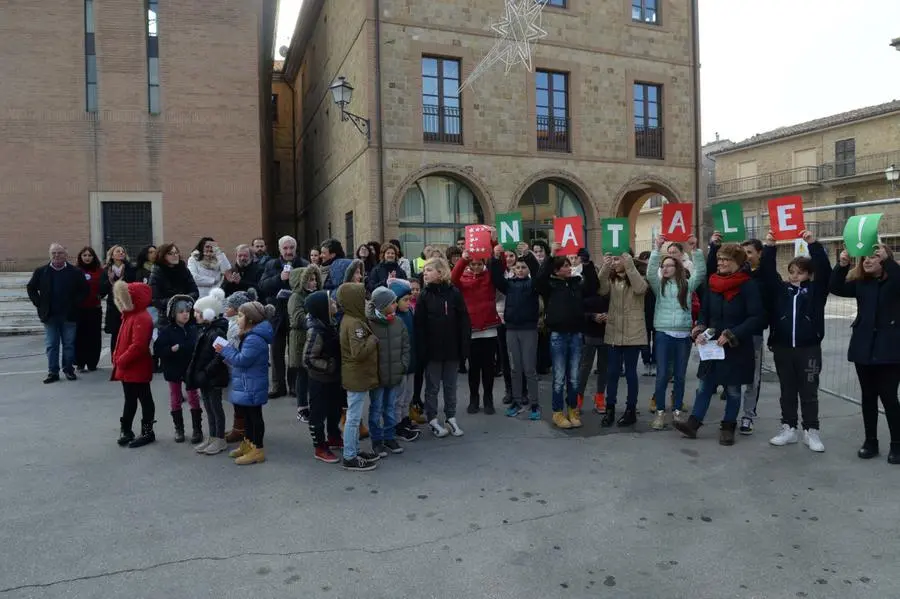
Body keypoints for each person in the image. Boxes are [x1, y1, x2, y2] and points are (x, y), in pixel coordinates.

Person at [674, 243, 765, 446]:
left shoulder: (748, 285)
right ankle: (693, 424)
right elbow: (705, 313)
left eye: (726, 259)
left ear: (738, 262)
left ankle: (728, 427)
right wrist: (699, 330)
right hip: (713, 346)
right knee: (704, 386)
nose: (721, 263)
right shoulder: (713, 283)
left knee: (732, 390)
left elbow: (756, 317)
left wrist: (732, 334)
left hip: (736, 347)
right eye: (720, 259)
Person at [830, 243, 900, 464]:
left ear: (884, 260)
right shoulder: (862, 283)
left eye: (873, 257)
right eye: (864, 258)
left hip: (890, 349)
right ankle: (871, 441)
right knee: (868, 397)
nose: (867, 261)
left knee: (889, 397)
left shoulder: (895, 282)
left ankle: (897, 445)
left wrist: (888, 259)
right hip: (864, 347)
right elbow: (836, 287)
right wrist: (842, 266)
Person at [761, 230, 830, 453]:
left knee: (809, 391)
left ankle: (811, 431)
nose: (794, 276)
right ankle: (788, 428)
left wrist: (813, 243)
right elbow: (767, 274)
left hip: (808, 349)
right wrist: (770, 246)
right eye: (791, 272)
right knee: (787, 390)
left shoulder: (815, 292)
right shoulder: (781, 291)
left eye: (799, 273)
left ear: (809, 275)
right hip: (782, 348)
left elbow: (825, 272)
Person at [646, 235, 705, 429]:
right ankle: (660, 413)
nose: (665, 268)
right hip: (663, 334)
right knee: (662, 374)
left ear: (678, 267)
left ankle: (677, 411)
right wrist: (657, 248)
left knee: (680, 375)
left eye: (670, 265)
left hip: (682, 336)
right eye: (664, 265)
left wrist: (695, 251)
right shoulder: (658, 285)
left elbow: (701, 273)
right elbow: (650, 274)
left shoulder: (687, 286)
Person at [535, 244, 596, 429]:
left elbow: (593, 286)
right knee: (559, 377)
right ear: (556, 270)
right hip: (558, 335)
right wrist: (551, 256)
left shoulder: (577, 283)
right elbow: (539, 280)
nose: (569, 268)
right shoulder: (550, 285)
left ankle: (572, 410)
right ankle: (557, 412)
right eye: (564, 266)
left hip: (576, 334)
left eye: (570, 265)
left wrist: (587, 262)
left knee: (574, 377)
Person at [415, 257, 470, 438]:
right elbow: (419, 326)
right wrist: (422, 351)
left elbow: (464, 321)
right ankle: (432, 418)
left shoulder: (453, 293)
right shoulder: (424, 295)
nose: (425, 273)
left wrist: (464, 347)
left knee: (450, 386)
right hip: (432, 351)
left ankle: (450, 417)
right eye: (424, 271)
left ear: (440, 272)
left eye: (429, 270)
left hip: (452, 349)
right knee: (432, 387)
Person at [217, 301, 276, 465]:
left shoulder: (254, 339)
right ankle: (248, 444)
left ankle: (257, 449)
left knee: (254, 417)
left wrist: (225, 349)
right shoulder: (250, 336)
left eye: (241, 316)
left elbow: (242, 360)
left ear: (251, 319)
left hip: (252, 385)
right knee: (249, 417)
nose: (237, 319)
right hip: (248, 383)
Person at [490, 242, 541, 419]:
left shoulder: (533, 285)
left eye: (523, 267)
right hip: (511, 329)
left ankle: (534, 404)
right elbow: (496, 277)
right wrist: (496, 257)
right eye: (517, 267)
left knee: (529, 369)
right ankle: (517, 402)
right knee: (514, 368)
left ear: (528, 270)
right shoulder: (509, 285)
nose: (520, 270)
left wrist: (527, 254)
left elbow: (539, 273)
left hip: (529, 330)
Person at [598, 252, 648, 428]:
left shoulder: (638, 277)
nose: (615, 261)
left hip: (633, 334)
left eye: (618, 258)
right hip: (614, 332)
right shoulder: (611, 279)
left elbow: (640, 289)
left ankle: (630, 410)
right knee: (611, 373)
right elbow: (600, 288)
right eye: (614, 259)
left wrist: (630, 266)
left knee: (631, 373)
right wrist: (605, 266)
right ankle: (610, 408)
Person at [336, 282, 382, 471]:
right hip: (356, 376)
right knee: (353, 418)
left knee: (354, 416)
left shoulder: (354, 318)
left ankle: (354, 450)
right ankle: (349, 456)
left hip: (357, 375)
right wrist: (372, 340)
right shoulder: (354, 323)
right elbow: (359, 352)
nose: (366, 301)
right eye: (362, 298)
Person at [27, 243, 88, 383]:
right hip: (50, 316)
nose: (56, 255)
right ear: (50, 255)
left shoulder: (75, 272)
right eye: (53, 253)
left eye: (59, 253)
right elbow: (31, 288)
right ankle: (52, 372)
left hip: (69, 315)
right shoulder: (41, 271)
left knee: (69, 344)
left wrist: (75, 303)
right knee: (51, 345)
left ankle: (68, 370)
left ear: (66, 255)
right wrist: (39, 303)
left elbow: (84, 290)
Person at [452, 246, 502, 415]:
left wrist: (495, 247)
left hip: (489, 328)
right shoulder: (463, 278)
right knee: (473, 368)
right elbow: (452, 279)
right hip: (471, 329)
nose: (475, 267)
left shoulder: (489, 276)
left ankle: (488, 399)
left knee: (488, 368)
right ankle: (474, 399)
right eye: (472, 264)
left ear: (483, 263)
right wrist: (463, 259)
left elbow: (499, 267)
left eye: (479, 264)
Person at [258, 235, 309, 399]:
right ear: (280, 249)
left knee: (295, 350)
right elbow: (263, 286)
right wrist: (279, 278)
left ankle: (294, 385)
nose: (288, 251)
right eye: (285, 248)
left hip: (296, 314)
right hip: (278, 314)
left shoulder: (304, 264)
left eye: (291, 248)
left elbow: (313, 286)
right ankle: (278, 385)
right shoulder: (271, 264)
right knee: (276, 351)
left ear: (296, 248)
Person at [111, 280, 156, 448]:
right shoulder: (130, 316)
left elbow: (138, 345)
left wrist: (121, 359)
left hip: (135, 365)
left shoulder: (141, 317)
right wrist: (118, 356)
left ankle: (147, 431)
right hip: (128, 365)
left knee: (144, 397)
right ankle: (126, 429)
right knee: (130, 398)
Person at [153, 293, 203, 444]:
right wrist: (170, 350)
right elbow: (158, 350)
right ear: (173, 314)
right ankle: (179, 429)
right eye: (181, 312)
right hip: (173, 368)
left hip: (189, 368)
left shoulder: (194, 329)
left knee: (193, 397)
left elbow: (197, 346)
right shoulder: (167, 331)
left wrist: (183, 348)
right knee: (175, 398)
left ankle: (197, 429)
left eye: (187, 311)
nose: (185, 314)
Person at [367, 286, 410, 457]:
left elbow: (406, 346)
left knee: (390, 407)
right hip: (377, 376)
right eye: (392, 303)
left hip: (394, 374)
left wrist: (402, 366)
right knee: (376, 408)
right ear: (383, 305)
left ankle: (390, 436)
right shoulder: (369, 324)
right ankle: (377, 440)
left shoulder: (398, 322)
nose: (395, 305)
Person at [186, 291, 231, 455]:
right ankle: (212, 437)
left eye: (198, 312)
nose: (195, 315)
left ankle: (220, 439)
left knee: (215, 408)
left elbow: (220, 356)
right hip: (205, 377)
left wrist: (206, 372)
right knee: (209, 408)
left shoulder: (216, 332)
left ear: (208, 312)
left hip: (213, 377)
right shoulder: (205, 330)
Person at [303, 290, 344, 464]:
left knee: (335, 409)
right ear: (322, 308)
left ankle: (334, 436)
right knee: (318, 413)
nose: (334, 303)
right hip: (320, 379)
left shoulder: (330, 323)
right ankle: (320, 446)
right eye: (331, 302)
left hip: (334, 378)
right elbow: (308, 359)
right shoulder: (316, 330)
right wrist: (329, 366)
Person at [288, 265, 323, 423]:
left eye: (315, 279)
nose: (314, 282)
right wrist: (314, 316)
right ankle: (302, 408)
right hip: (301, 338)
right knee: (302, 374)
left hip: (314, 338)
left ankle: (315, 404)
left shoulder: (316, 294)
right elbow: (297, 318)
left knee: (313, 374)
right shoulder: (296, 297)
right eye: (310, 279)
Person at [221, 288, 257, 443]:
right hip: (236, 367)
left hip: (239, 369)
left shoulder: (237, 326)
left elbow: (235, 347)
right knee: (237, 400)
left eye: (229, 307)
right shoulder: (233, 323)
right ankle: (239, 427)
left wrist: (223, 350)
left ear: (237, 310)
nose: (225, 309)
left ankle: (241, 430)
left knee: (240, 401)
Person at [389, 279, 421, 442]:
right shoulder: (394, 319)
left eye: (409, 300)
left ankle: (405, 419)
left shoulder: (409, 313)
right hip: (401, 365)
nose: (409, 303)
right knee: (398, 397)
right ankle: (397, 425)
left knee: (408, 395)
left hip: (411, 361)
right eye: (405, 300)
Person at [149, 243, 199, 329]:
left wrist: (184, 301)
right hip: (166, 319)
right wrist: (175, 301)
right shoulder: (157, 273)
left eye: (176, 253)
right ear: (162, 256)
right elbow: (155, 299)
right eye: (170, 253)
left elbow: (195, 291)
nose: (175, 256)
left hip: (187, 316)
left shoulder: (183, 270)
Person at [100, 245, 137, 355]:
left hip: (128, 304)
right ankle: (115, 358)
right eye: (118, 251)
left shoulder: (130, 268)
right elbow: (102, 290)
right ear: (112, 255)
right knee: (115, 334)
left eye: (123, 251)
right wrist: (110, 280)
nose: (121, 253)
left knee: (128, 333)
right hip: (113, 305)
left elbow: (133, 284)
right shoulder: (106, 270)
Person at [74, 246, 103, 372]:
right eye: (84, 255)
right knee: (79, 336)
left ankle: (92, 363)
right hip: (79, 309)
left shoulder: (100, 271)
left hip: (94, 308)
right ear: (80, 257)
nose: (87, 258)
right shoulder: (75, 271)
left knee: (94, 336)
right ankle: (80, 362)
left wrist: (101, 295)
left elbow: (105, 286)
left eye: (89, 255)